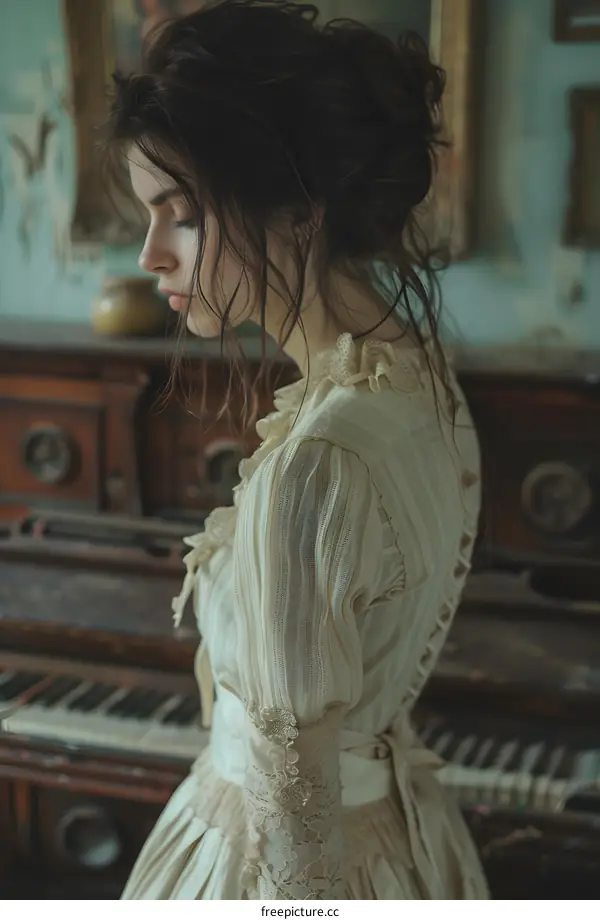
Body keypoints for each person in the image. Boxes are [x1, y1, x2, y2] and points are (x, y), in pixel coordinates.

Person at [104, 0, 488, 900]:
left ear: (298, 211)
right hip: (394, 842)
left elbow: (295, 841)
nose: (149, 252)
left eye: (182, 214)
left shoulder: (317, 464)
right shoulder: (423, 381)